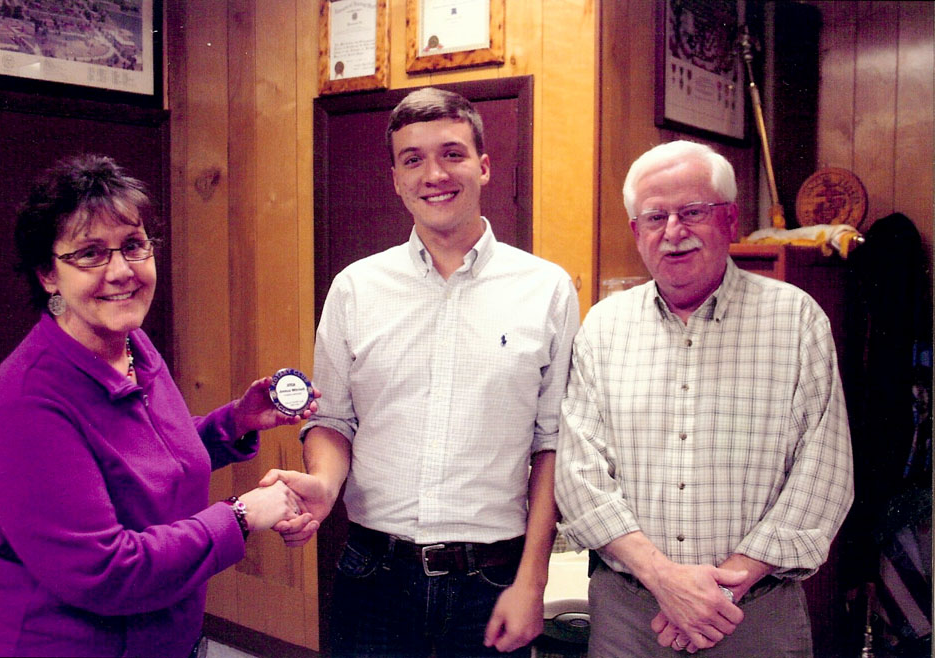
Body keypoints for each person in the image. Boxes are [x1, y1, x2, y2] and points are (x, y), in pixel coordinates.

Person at [0, 154, 318, 658]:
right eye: (90, 253)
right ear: (47, 274)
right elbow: (105, 572)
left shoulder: (132, 346)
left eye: (133, 245)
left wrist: (233, 423)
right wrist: (240, 516)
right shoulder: (23, 401)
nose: (122, 271)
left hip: (165, 636)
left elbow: (139, 465)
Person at [263, 87, 581, 657]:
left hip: (493, 580)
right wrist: (325, 486)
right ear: (396, 179)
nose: (434, 174)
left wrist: (533, 582)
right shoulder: (355, 288)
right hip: (372, 575)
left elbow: (552, 443)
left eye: (452, 154)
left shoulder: (547, 289)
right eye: (413, 159)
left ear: (483, 166)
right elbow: (332, 420)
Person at [554, 140, 854, 657]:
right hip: (630, 618)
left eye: (693, 212)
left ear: (730, 220)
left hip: (754, 614)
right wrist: (664, 581)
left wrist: (717, 593)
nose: (673, 232)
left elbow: (824, 475)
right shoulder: (603, 326)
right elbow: (578, 472)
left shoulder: (796, 319)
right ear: (637, 232)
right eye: (656, 218)